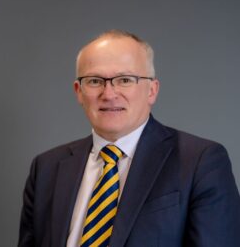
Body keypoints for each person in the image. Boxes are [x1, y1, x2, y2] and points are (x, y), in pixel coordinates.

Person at [18, 30, 240, 247]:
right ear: (79, 91)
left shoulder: (200, 162)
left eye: (125, 79)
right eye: (95, 81)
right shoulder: (46, 168)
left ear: (152, 90)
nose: (109, 94)